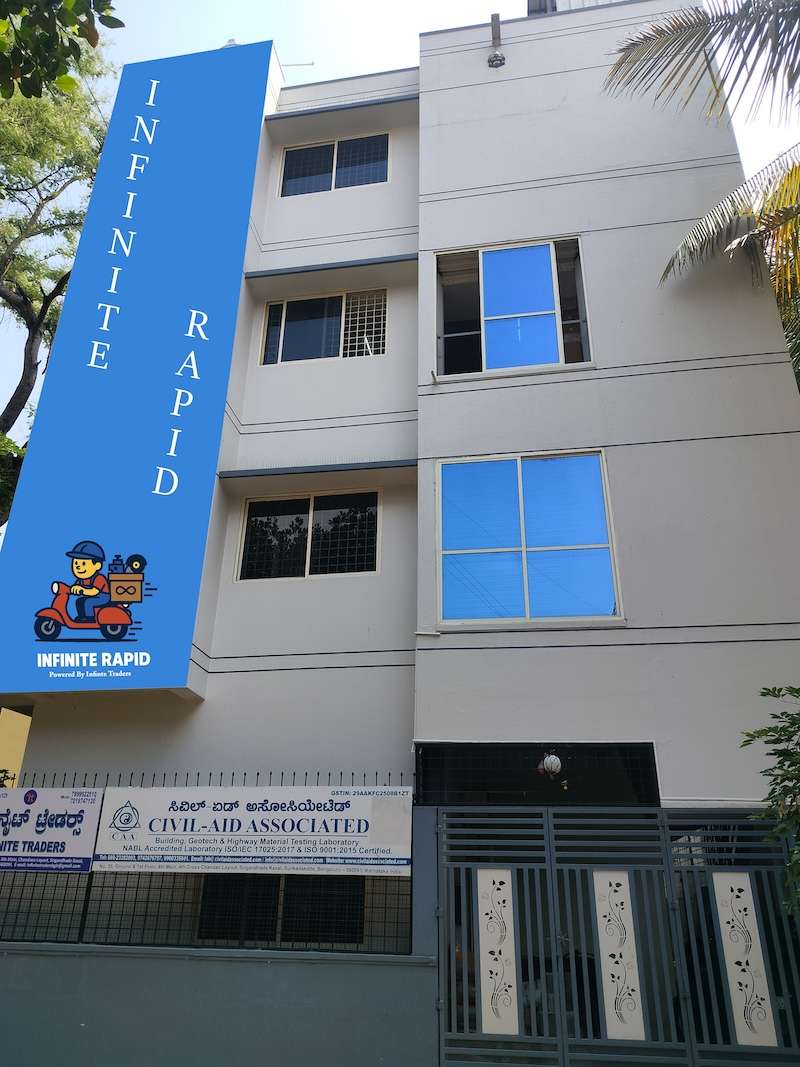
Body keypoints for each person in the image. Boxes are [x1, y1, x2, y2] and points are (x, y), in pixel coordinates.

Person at [65, 540, 110, 622]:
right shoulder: (81, 579)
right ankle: (82, 617)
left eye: (83, 564)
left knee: (88, 602)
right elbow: (75, 587)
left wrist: (82, 590)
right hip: (93, 596)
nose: (78, 567)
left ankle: (90, 619)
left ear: (97, 566)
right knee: (79, 601)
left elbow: (94, 591)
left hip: (103, 596)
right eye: (76, 563)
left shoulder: (99, 578)